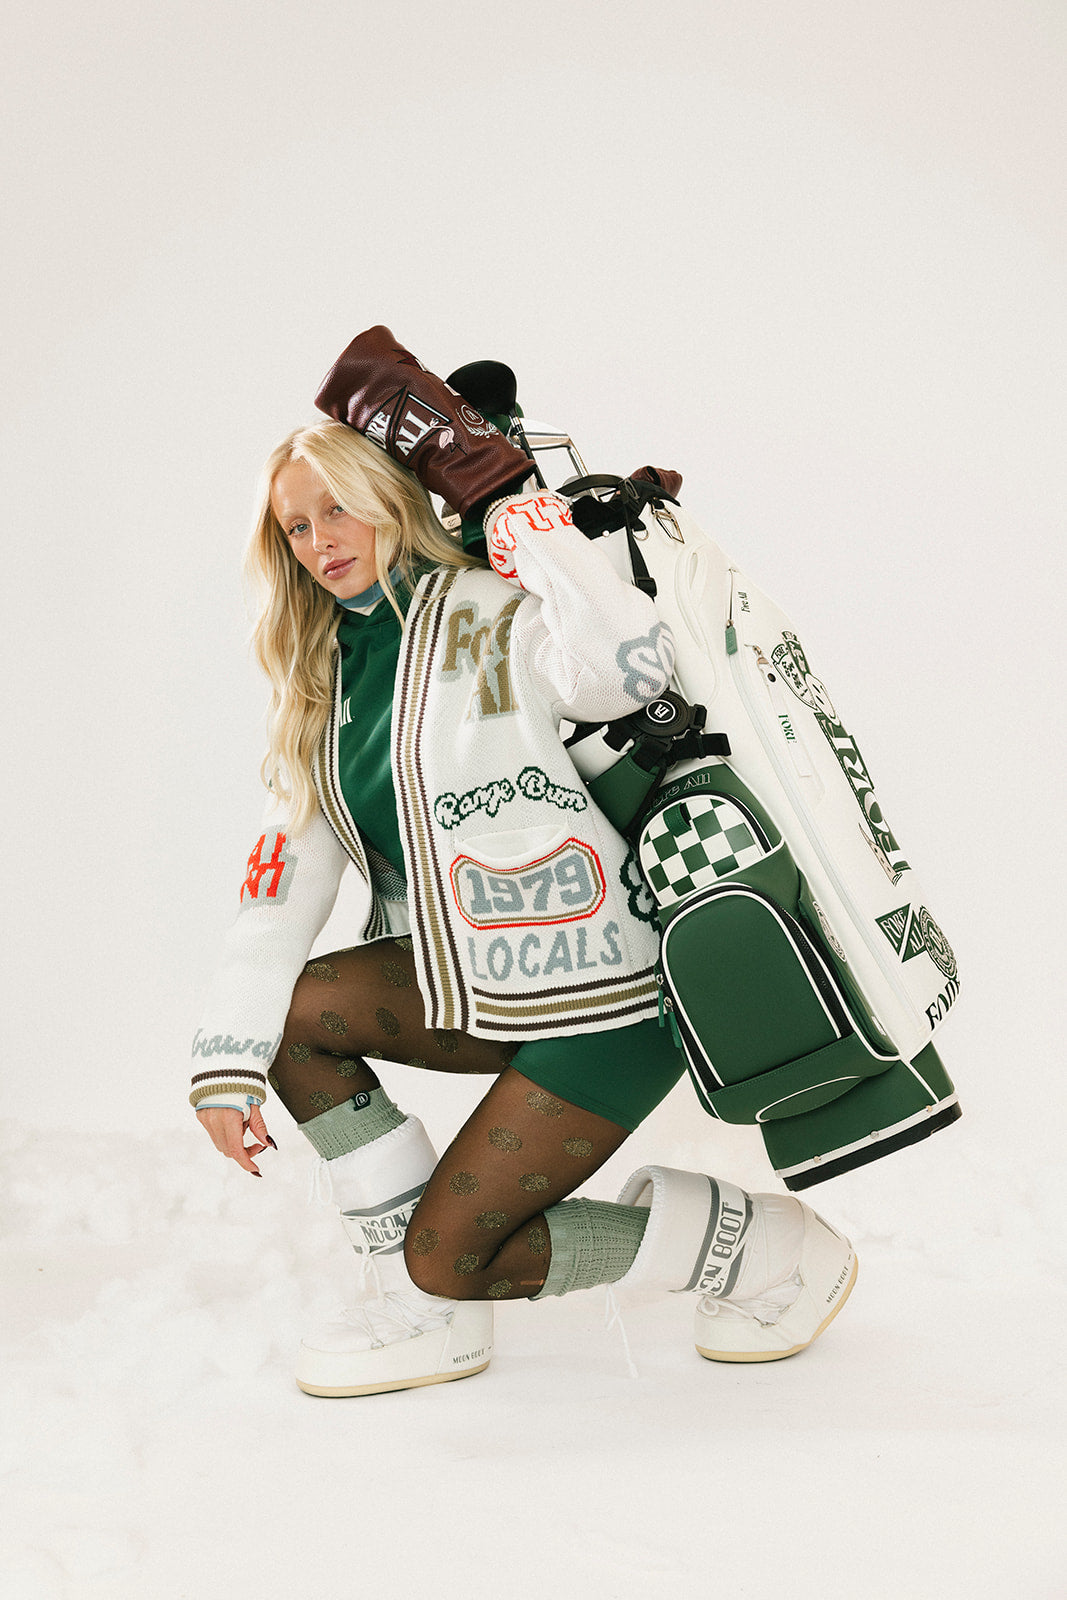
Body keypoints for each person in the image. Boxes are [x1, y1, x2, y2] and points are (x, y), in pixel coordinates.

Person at [192, 327, 857, 1396]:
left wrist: (515, 510)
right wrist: (222, 1058)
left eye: (337, 508)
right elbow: (279, 888)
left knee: (457, 1253)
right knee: (293, 1019)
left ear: (388, 498)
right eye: (296, 525)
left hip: (611, 996)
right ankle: (420, 1305)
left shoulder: (495, 610)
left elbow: (626, 665)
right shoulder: (326, 682)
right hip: (481, 981)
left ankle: (761, 1249)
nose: (320, 541)